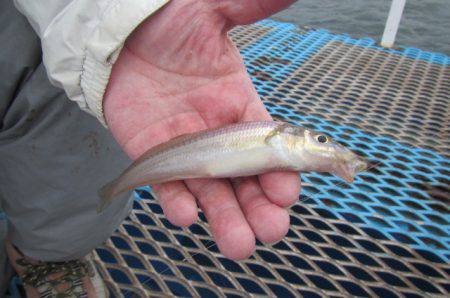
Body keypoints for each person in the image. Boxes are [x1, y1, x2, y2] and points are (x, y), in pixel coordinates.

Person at [0, 0, 300, 296]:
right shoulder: (269, 135)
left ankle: (49, 254)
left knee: (68, 121)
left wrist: (119, 18)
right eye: (318, 140)